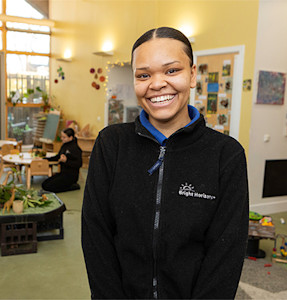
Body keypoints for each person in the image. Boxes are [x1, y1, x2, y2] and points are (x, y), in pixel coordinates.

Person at [82, 27, 249, 299]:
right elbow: (96, 237)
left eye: (172, 70)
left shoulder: (225, 155)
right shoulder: (111, 145)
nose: (157, 84)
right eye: (144, 75)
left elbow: (226, 253)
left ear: (193, 74)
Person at [42, 128, 82, 193]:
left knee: (49, 187)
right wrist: (45, 159)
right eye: (62, 137)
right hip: (63, 173)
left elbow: (79, 164)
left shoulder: (75, 148)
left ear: (70, 138)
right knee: (44, 184)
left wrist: (66, 161)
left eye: (64, 137)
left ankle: (74, 186)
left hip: (71, 176)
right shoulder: (64, 145)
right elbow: (58, 156)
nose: (62, 139)